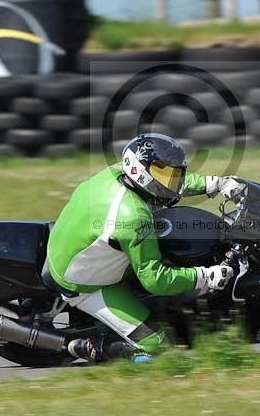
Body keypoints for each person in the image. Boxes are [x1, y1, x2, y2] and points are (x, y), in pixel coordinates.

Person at [44, 132, 246, 362]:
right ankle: (87, 346)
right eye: (165, 174)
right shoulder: (133, 216)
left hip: (77, 245)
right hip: (84, 283)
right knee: (158, 348)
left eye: (173, 174)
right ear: (141, 172)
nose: (172, 180)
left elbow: (172, 184)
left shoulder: (118, 171)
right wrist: (206, 276)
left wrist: (215, 183)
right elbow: (155, 279)